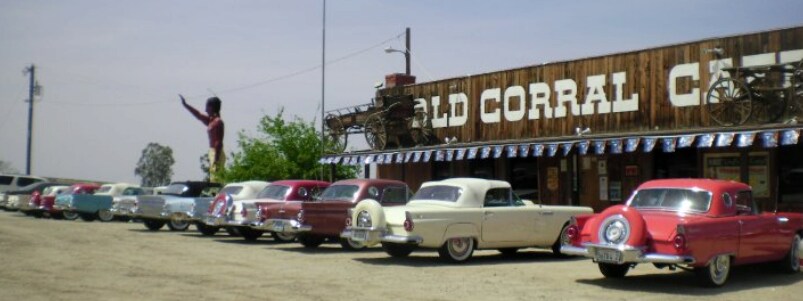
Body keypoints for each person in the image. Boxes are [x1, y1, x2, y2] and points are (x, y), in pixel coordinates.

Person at [181, 94, 225, 183]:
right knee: (214, 178)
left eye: (207, 107)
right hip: (213, 152)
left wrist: (216, 160)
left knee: (216, 179)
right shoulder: (211, 121)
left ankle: (218, 194)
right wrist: (186, 105)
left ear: (212, 107)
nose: (205, 109)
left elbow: (218, 142)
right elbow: (198, 115)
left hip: (217, 152)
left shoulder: (218, 122)